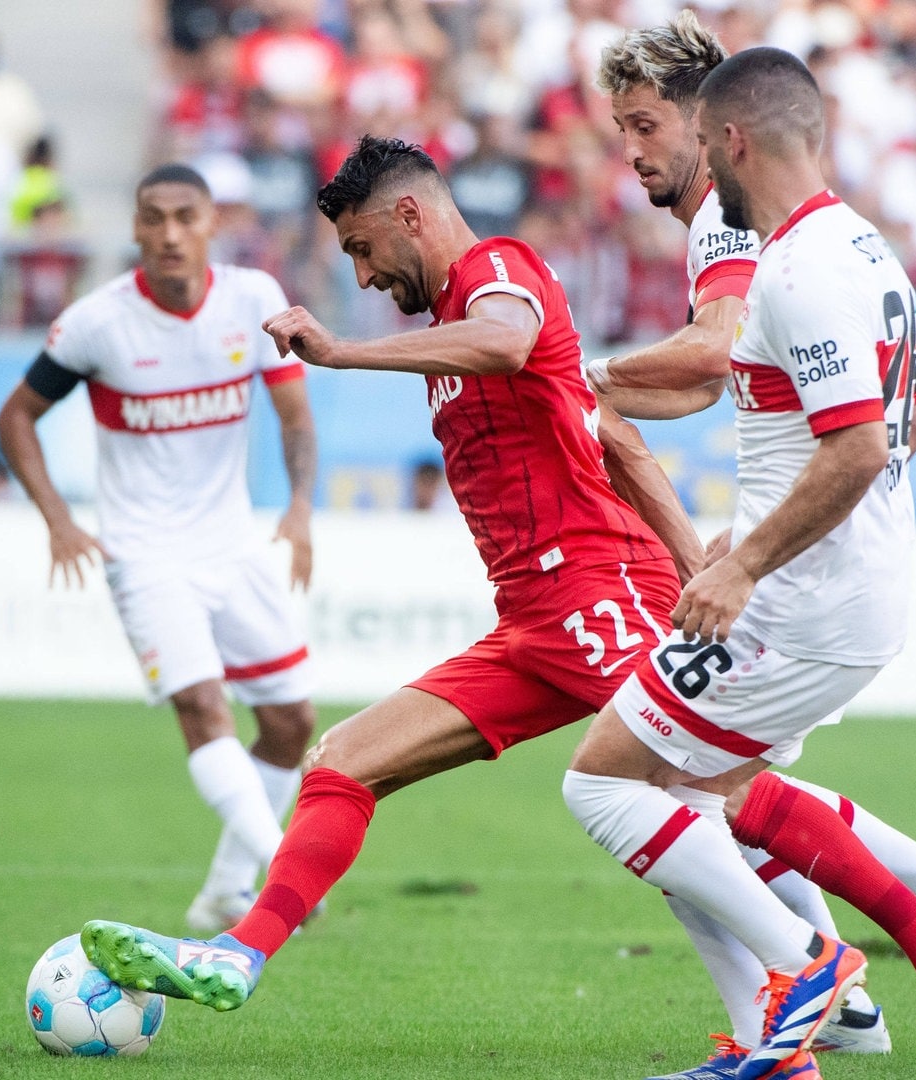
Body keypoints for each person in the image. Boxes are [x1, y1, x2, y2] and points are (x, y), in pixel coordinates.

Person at [78, 134, 707, 1025]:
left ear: (408, 215)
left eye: (363, 250)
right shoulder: (452, 320)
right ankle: (238, 954)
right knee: (339, 761)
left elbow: (503, 343)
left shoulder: (501, 272)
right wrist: (692, 552)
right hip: (535, 620)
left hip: (601, 588)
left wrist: (340, 353)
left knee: (712, 794)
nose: (365, 277)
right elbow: (611, 433)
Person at [558, 48, 916, 1079]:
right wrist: (761, 527)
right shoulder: (864, 249)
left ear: (728, 140)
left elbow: (861, 447)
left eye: (656, 131)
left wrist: (745, 562)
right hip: (841, 584)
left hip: (803, 604)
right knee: (706, 792)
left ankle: (811, 970)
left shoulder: (798, 267)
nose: (645, 155)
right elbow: (912, 428)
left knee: (606, 786)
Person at [0, 164, 321, 933]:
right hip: (144, 553)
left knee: (292, 722)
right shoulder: (96, 324)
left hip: (232, 543)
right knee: (203, 706)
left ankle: (223, 891)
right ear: (136, 228)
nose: (170, 233)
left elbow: (295, 418)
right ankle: (284, 870)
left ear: (213, 223)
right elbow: (15, 418)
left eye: (185, 216)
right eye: (154, 218)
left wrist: (301, 508)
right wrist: (57, 517)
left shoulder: (254, 302)